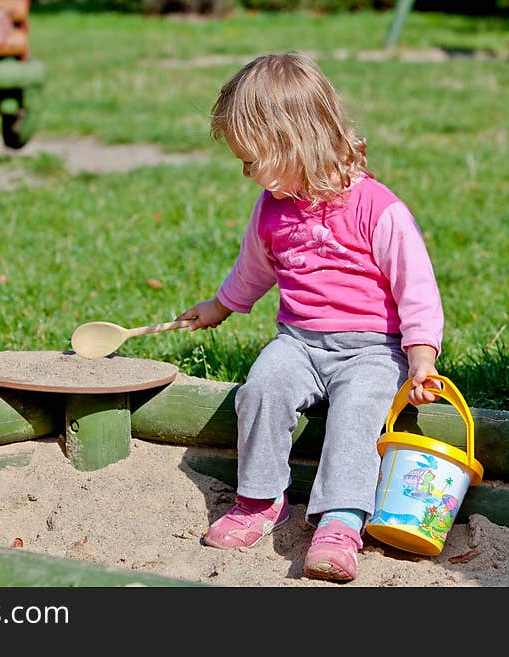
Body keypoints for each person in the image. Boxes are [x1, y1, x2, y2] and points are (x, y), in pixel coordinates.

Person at [178, 52, 444, 583]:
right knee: (262, 388)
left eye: (252, 160)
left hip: (372, 348)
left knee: (355, 415)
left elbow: (417, 290)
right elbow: (254, 268)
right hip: (298, 341)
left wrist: (421, 360)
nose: (247, 172)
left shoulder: (378, 208)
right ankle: (258, 500)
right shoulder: (272, 208)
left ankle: (341, 522)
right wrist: (220, 306)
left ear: (296, 143)